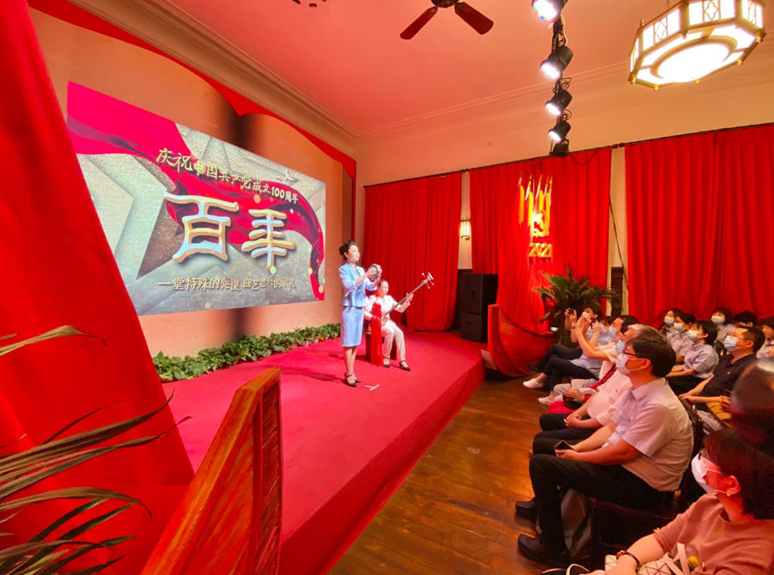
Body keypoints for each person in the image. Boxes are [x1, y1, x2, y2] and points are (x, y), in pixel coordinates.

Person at [516, 336, 693, 567]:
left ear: (644, 363)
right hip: (622, 467)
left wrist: (578, 457)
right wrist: (576, 449)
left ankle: (553, 547)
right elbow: (611, 428)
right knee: (553, 449)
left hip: (640, 485)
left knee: (541, 465)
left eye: (626, 353)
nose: (620, 357)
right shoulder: (637, 389)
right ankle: (543, 510)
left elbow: (624, 453)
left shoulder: (660, 405)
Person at [591, 428, 774, 575]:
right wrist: (627, 561)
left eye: (708, 457)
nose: (701, 459)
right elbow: (662, 540)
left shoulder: (753, 557)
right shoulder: (712, 502)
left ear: (732, 484)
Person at [679, 326, 764, 411]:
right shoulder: (727, 357)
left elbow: (730, 399)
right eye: (729, 334)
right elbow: (711, 378)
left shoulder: (751, 367)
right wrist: (691, 393)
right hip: (700, 399)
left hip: (716, 408)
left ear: (749, 344)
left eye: (734, 335)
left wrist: (695, 399)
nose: (729, 338)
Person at [338, 241, 379, 387]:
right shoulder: (343, 269)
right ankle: (348, 373)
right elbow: (348, 286)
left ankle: (351, 371)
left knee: (355, 341)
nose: (357, 253)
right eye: (354, 251)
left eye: (358, 251)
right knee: (348, 341)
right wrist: (366, 275)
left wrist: (376, 279)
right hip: (349, 307)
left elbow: (369, 287)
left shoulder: (361, 270)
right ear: (346, 254)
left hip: (359, 307)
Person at [363, 279, 413, 370]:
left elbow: (400, 309)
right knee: (390, 331)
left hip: (387, 322)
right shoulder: (373, 299)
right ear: (378, 288)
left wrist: (406, 301)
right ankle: (386, 357)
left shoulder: (389, 299)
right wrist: (375, 318)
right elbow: (364, 313)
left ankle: (402, 360)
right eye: (384, 287)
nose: (386, 289)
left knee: (399, 332)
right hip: (375, 324)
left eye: (387, 287)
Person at [666, 320, 719, 395]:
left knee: (666, 380)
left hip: (696, 380)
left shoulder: (707, 352)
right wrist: (667, 371)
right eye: (691, 328)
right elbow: (685, 366)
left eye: (695, 329)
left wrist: (669, 375)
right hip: (687, 375)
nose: (690, 330)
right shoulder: (694, 346)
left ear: (705, 335)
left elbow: (692, 371)